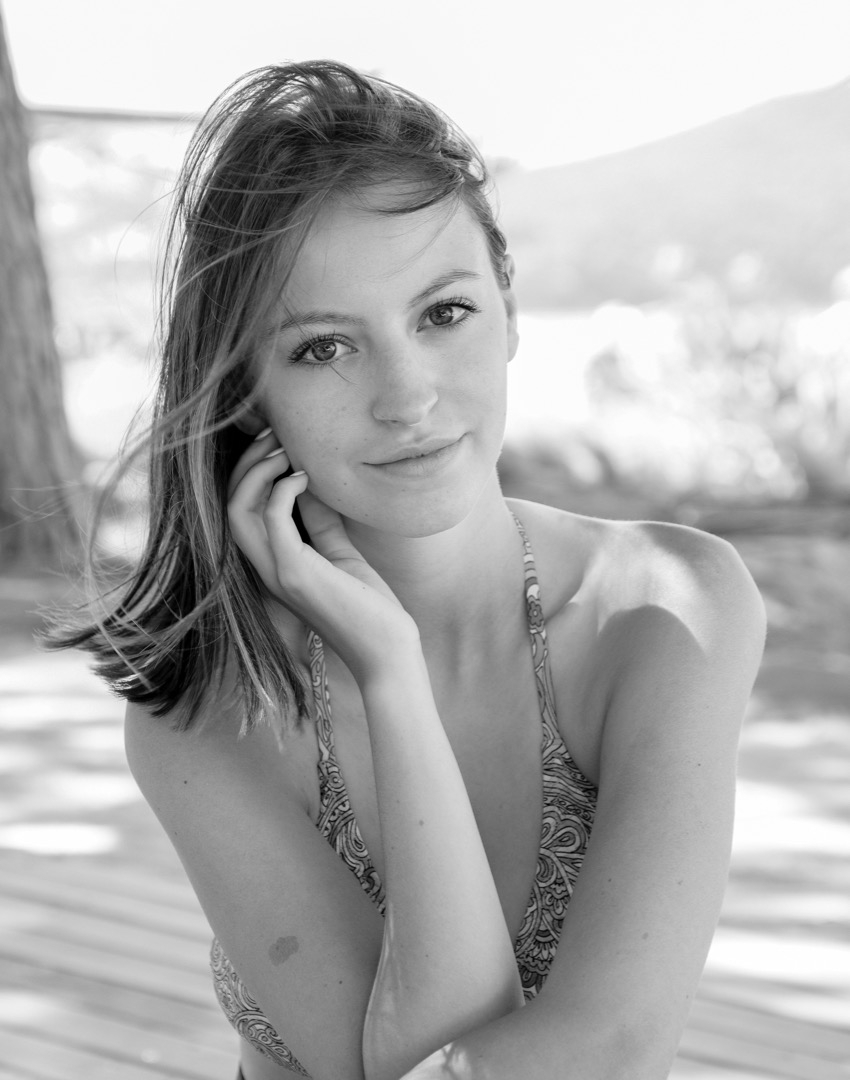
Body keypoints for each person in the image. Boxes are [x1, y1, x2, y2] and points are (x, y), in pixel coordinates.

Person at [52, 61, 766, 1080]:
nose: (407, 398)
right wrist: (391, 674)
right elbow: (396, 1066)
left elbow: (612, 1047)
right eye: (323, 347)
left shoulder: (667, 607)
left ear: (508, 308)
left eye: (443, 314)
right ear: (245, 389)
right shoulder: (212, 706)